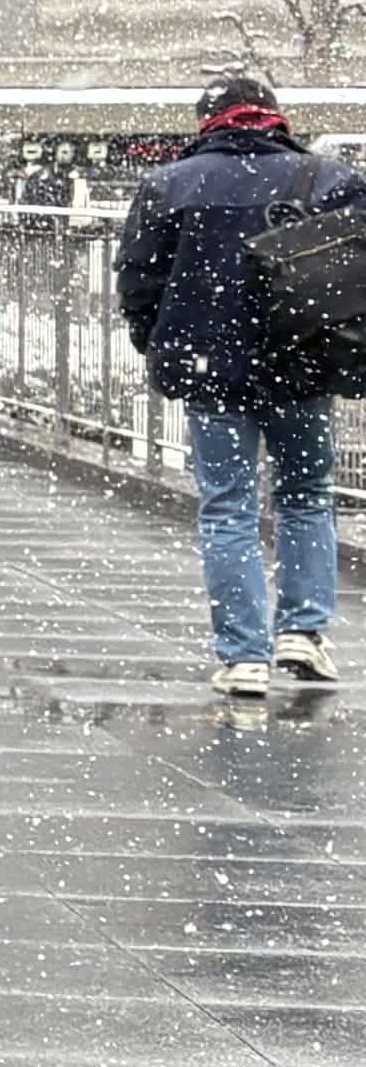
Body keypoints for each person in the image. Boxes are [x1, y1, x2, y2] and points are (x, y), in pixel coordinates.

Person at [117, 61, 355, 699]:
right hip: (302, 366)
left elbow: (139, 282)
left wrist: (160, 342)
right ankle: (303, 632)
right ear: (275, 117)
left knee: (229, 507)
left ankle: (244, 656)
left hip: (210, 369)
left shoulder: (169, 185)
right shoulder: (328, 181)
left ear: (207, 123)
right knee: (306, 493)